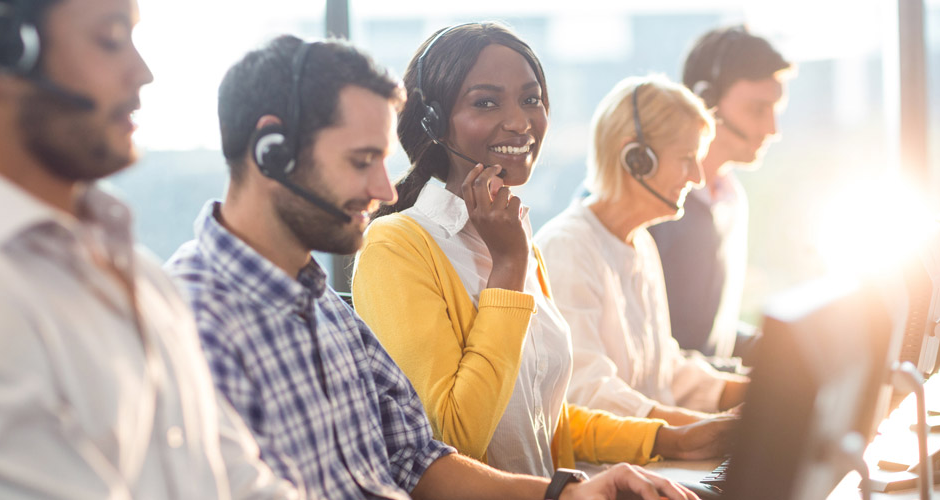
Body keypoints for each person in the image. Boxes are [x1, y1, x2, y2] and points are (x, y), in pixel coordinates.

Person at [165, 34, 700, 500]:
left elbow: (419, 459)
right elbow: (457, 436)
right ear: (272, 151)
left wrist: (571, 491)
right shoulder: (189, 322)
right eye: (360, 161)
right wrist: (509, 268)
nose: (382, 190)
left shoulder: (327, 312)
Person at [353, 22, 733, 480]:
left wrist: (667, 438)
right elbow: (452, 440)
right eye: (486, 102)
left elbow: (539, 414)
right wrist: (509, 269)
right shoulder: (398, 246)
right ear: (433, 120)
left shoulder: (515, 236)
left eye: (531, 99)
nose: (519, 121)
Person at [0, 0, 299, 498]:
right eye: (111, 39)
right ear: (3, 50)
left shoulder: (141, 275)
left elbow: (238, 478)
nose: (144, 73)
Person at [535, 76, 750, 428]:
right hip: (606, 473)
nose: (697, 177)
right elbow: (586, 392)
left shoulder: (640, 243)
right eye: (686, 160)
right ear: (636, 157)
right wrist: (694, 429)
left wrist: (753, 394)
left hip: (658, 456)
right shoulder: (567, 247)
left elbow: (664, 371)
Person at [647, 25, 793, 361]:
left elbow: (706, 334)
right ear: (705, 103)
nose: (772, 129)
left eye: (776, 110)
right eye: (758, 110)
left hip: (710, 396)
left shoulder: (731, 199)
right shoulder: (650, 204)